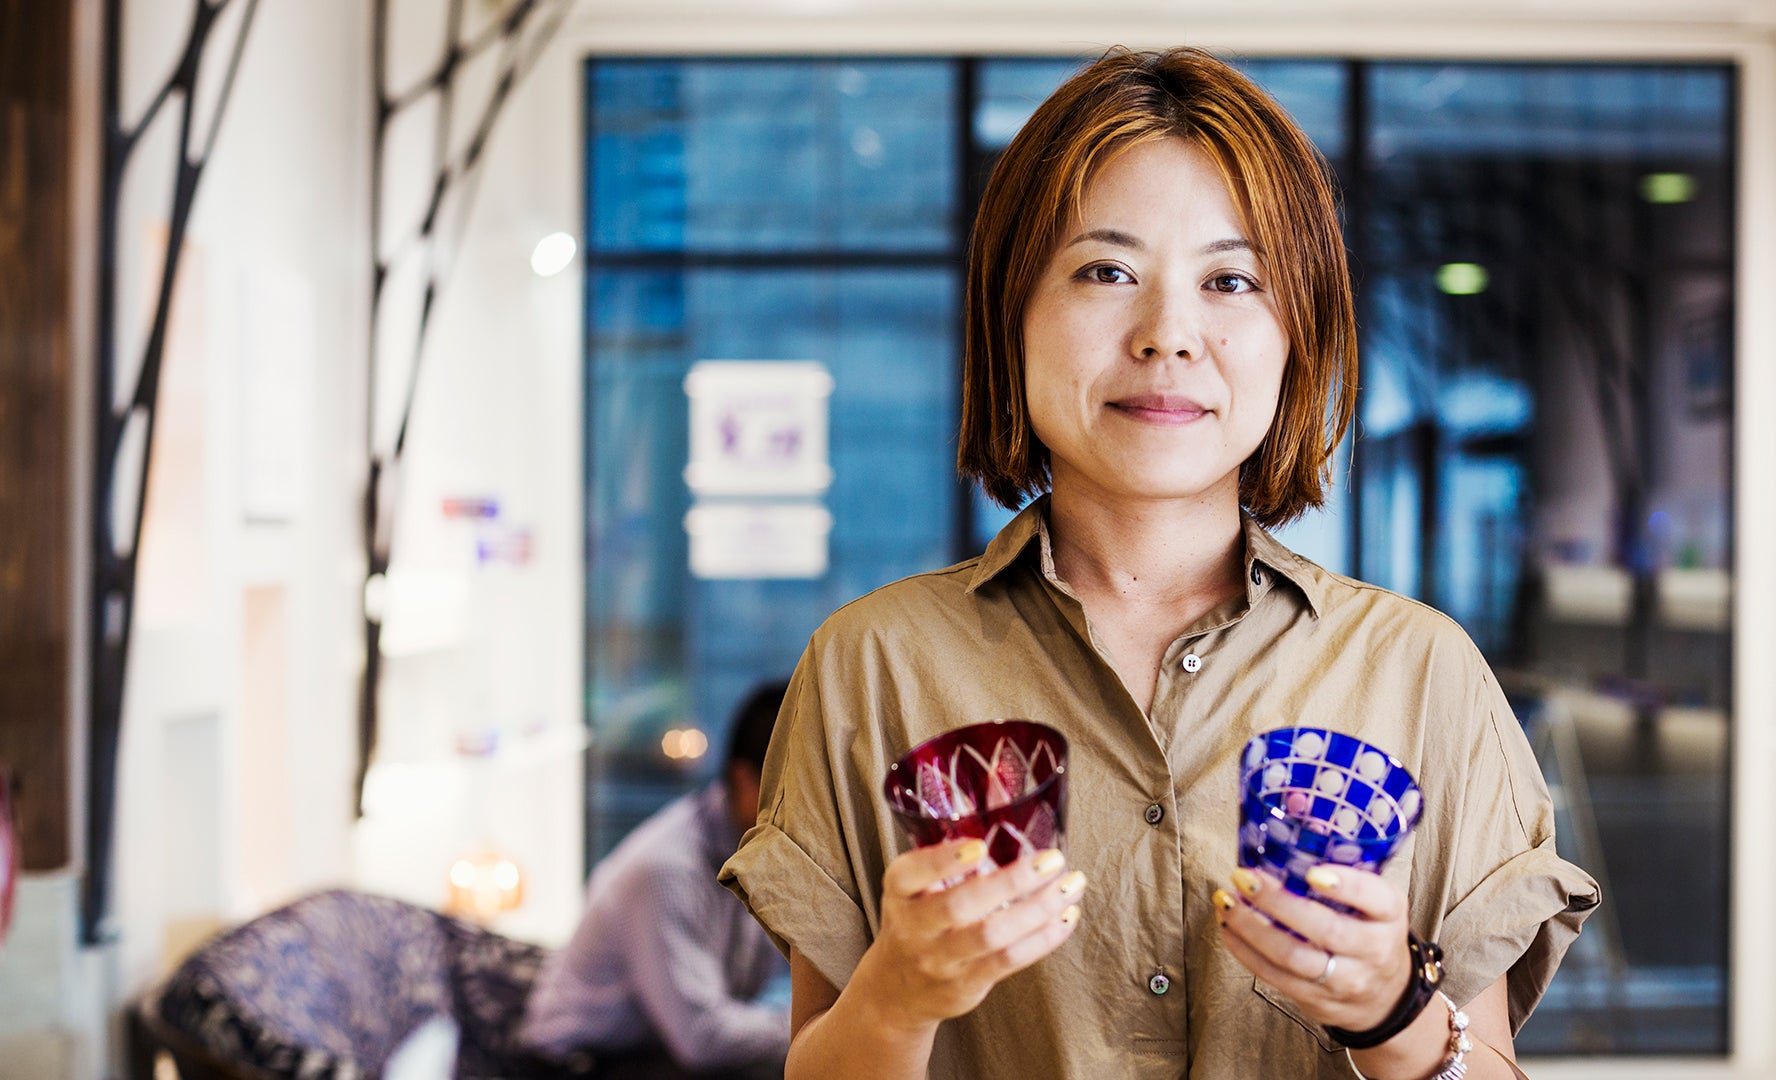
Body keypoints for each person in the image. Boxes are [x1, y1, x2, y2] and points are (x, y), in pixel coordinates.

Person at [719, 47, 1599, 1080]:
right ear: (1013, 316)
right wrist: (899, 998)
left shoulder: (1420, 673)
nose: (1168, 334)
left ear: (1295, 336)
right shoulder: (872, 666)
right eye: (1106, 272)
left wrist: (1391, 1012)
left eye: (1230, 280)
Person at [520, 683, 790, 1080]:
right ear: (747, 780)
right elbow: (702, 1040)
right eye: (803, 789)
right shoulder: (668, 869)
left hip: (656, 1053)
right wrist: (816, 1027)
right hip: (580, 1063)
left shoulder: (759, 850)